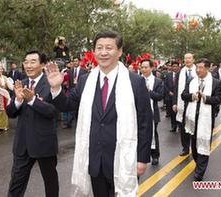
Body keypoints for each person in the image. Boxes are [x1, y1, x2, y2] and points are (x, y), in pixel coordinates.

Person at [46, 30, 152, 196]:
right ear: (94, 51)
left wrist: (142, 158)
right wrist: (56, 88)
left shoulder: (135, 82)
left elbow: (145, 123)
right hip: (95, 160)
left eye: (109, 48)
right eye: (99, 47)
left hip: (124, 159)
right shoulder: (85, 80)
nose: (103, 52)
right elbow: (67, 105)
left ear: (119, 51)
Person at [6, 51, 59, 197]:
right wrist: (17, 101)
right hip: (22, 144)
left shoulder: (52, 82)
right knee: (16, 184)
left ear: (42, 65)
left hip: (44, 143)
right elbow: (10, 113)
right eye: (26, 62)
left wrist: (32, 101)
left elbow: (53, 111)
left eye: (33, 61)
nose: (28, 65)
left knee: (50, 182)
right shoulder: (20, 84)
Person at [182, 58, 221, 181]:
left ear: (207, 68)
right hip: (192, 118)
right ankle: (197, 163)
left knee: (204, 144)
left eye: (201, 67)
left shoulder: (215, 82)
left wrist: (206, 98)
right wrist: (192, 96)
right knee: (194, 146)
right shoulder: (191, 81)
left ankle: (200, 172)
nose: (198, 70)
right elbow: (183, 95)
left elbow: (219, 98)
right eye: (197, 68)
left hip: (206, 120)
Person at [173, 53, 197, 156]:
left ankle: (195, 148)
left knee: (194, 126)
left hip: (194, 102)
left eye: (189, 58)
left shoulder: (198, 71)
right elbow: (176, 88)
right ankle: (185, 148)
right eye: (185, 58)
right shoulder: (180, 72)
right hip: (182, 103)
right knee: (183, 127)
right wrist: (174, 103)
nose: (187, 60)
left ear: (193, 59)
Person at [141, 59, 164, 165]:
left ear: (151, 68)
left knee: (153, 134)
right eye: (142, 67)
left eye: (146, 67)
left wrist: (148, 91)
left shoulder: (157, 81)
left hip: (152, 112)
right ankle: (141, 156)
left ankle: (155, 155)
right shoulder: (137, 80)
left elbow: (159, 96)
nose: (144, 69)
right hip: (139, 113)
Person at [62, 56, 87, 129]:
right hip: (72, 92)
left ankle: (81, 124)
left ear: (79, 61)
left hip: (81, 92)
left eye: (76, 61)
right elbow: (69, 82)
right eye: (74, 61)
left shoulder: (84, 71)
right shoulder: (70, 71)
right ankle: (68, 123)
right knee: (72, 108)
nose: (75, 62)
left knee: (80, 109)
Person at [165, 60, 180, 132]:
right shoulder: (168, 75)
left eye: (176, 66)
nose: (174, 68)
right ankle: (173, 126)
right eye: (173, 66)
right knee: (172, 113)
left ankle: (180, 126)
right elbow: (165, 85)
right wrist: (169, 92)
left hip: (179, 97)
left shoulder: (181, 75)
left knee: (179, 112)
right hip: (170, 97)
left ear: (178, 67)